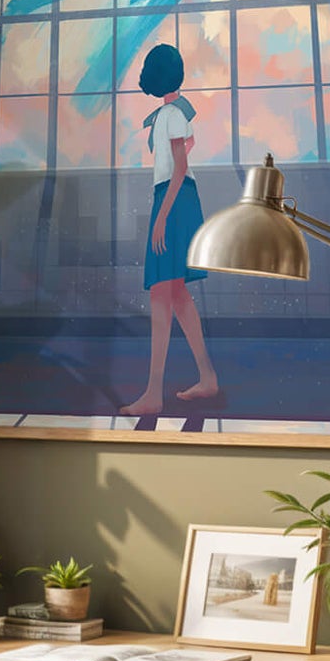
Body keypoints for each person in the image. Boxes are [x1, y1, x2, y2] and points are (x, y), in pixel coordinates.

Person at [119, 42, 221, 418]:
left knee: (163, 296)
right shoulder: (172, 114)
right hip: (177, 200)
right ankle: (206, 377)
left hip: (174, 202)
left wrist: (161, 217)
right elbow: (184, 151)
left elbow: (178, 168)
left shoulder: (170, 115)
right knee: (175, 296)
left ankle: (153, 393)